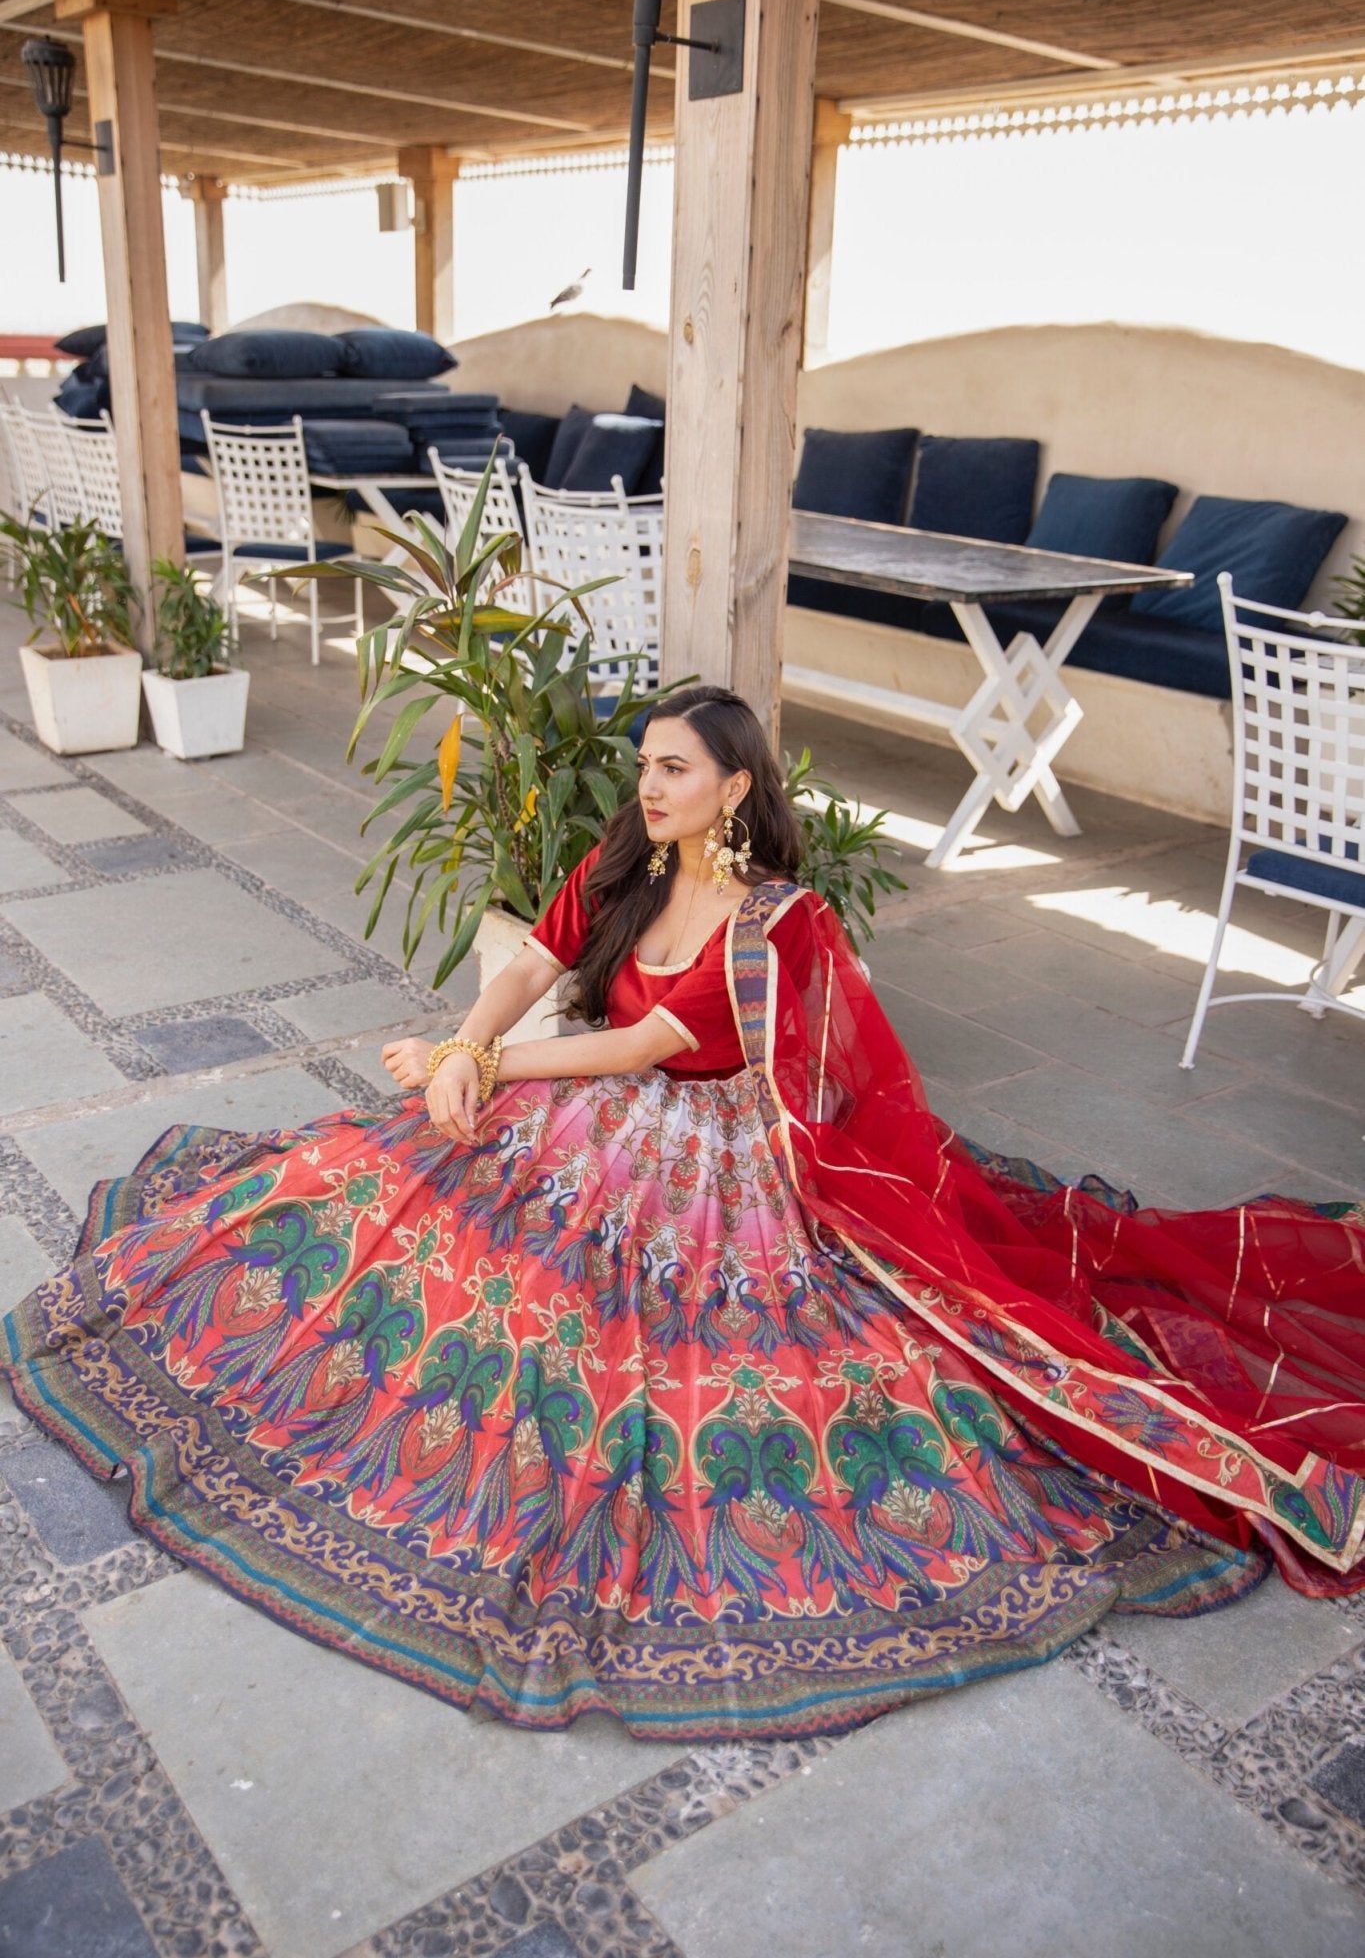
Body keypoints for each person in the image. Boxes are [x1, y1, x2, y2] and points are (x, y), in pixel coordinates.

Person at [3, 685, 1362, 1743]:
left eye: (671, 769)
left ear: (736, 788)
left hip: (704, 1151)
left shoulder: (771, 926)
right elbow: (541, 952)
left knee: (681, 1359)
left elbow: (638, 1046)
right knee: (372, 1214)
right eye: (644, 761)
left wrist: (490, 1067)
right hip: (566, 1101)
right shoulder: (628, 859)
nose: (645, 784)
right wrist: (459, 1041)